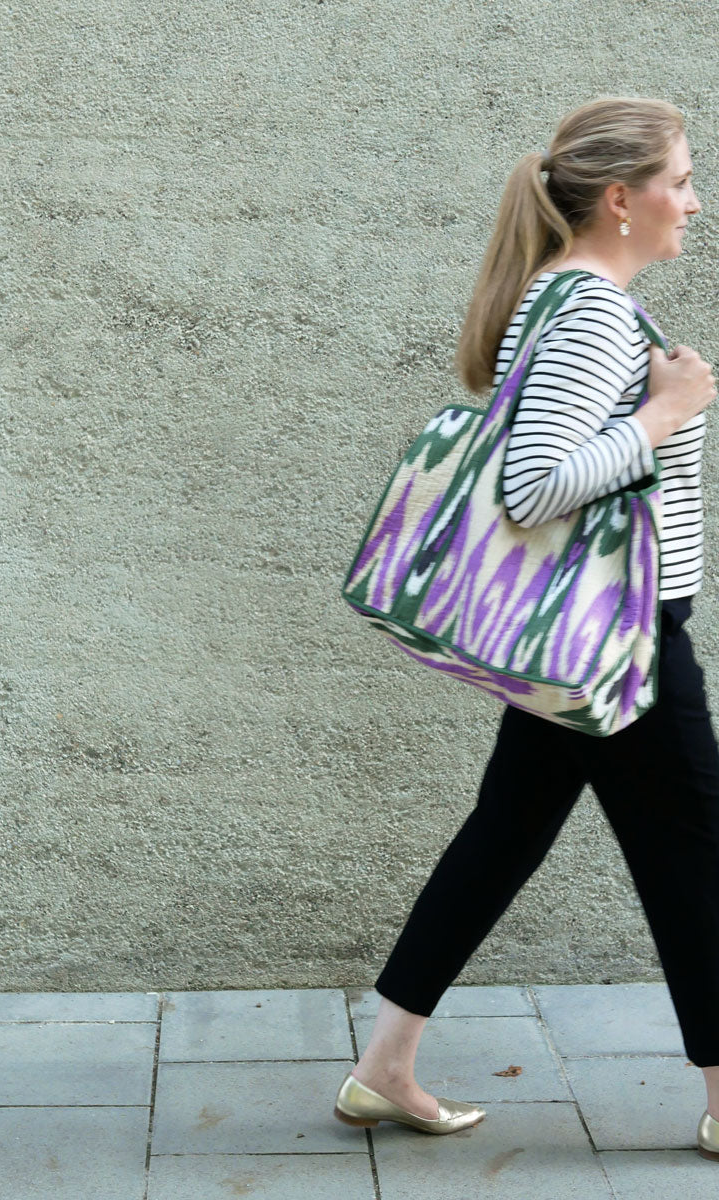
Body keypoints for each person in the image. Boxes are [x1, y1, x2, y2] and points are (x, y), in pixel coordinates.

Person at [333, 96, 719, 1160]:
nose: (694, 201)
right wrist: (665, 414)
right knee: (698, 861)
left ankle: (384, 1069)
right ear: (620, 199)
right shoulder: (591, 312)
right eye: (680, 180)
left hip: (586, 642)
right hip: (622, 642)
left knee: (505, 837)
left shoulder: (567, 299)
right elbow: (533, 487)